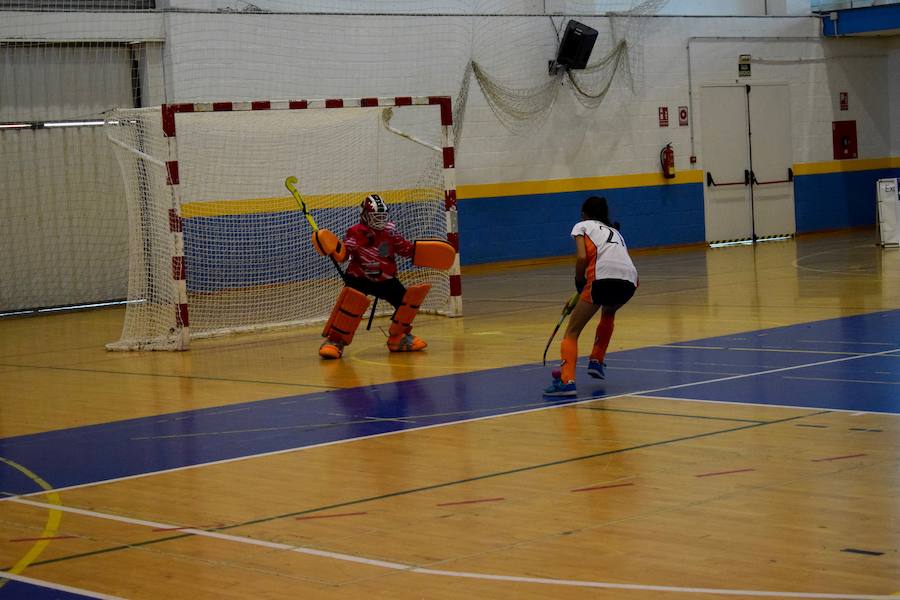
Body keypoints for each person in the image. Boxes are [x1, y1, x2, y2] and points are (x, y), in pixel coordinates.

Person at [311, 193, 455, 359]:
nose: (380, 220)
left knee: (405, 303)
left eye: (382, 216)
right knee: (348, 309)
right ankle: (335, 341)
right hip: (359, 278)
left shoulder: (390, 232)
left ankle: (399, 337)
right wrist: (329, 247)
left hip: (385, 279)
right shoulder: (355, 233)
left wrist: (423, 252)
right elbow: (345, 255)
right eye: (376, 217)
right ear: (365, 216)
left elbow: (405, 249)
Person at [543, 195, 638, 397]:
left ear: (584, 214)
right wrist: (582, 291)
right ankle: (597, 360)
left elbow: (582, 258)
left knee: (572, 331)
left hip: (602, 280)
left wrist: (579, 282)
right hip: (630, 281)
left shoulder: (582, 226)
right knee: (608, 311)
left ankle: (566, 381)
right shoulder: (615, 231)